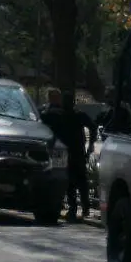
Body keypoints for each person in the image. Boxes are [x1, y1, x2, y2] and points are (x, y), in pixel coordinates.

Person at [40, 88, 93, 222]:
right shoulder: (75, 114)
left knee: (71, 181)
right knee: (77, 181)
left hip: (64, 151)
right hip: (71, 151)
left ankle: (75, 208)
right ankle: (81, 207)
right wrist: (90, 145)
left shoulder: (57, 114)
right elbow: (93, 126)